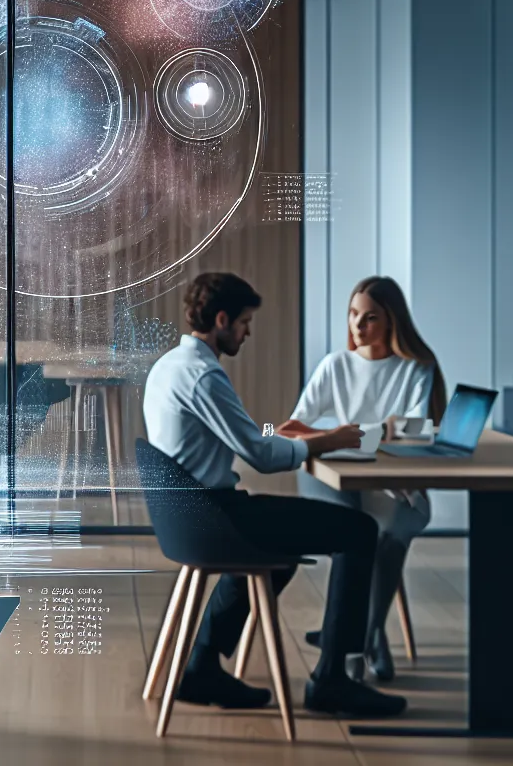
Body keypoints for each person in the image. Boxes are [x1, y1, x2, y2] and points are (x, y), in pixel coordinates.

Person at [142, 272, 407, 718]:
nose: (248, 332)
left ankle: (203, 664)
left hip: (188, 517)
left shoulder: (169, 365)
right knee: (360, 530)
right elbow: (261, 453)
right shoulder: (204, 376)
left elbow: (256, 436)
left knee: (282, 550)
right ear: (222, 319)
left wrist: (298, 435)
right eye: (245, 322)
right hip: (215, 518)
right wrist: (331, 439)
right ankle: (332, 681)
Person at [281, 276, 443, 681]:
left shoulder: (415, 369)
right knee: (355, 531)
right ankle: (366, 639)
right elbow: (291, 425)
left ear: (391, 321)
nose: (358, 325)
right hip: (334, 479)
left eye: (369, 317)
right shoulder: (335, 365)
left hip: (395, 486)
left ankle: (367, 635)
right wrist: (337, 435)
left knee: (388, 538)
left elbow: (422, 428)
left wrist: (381, 431)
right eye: (353, 315)